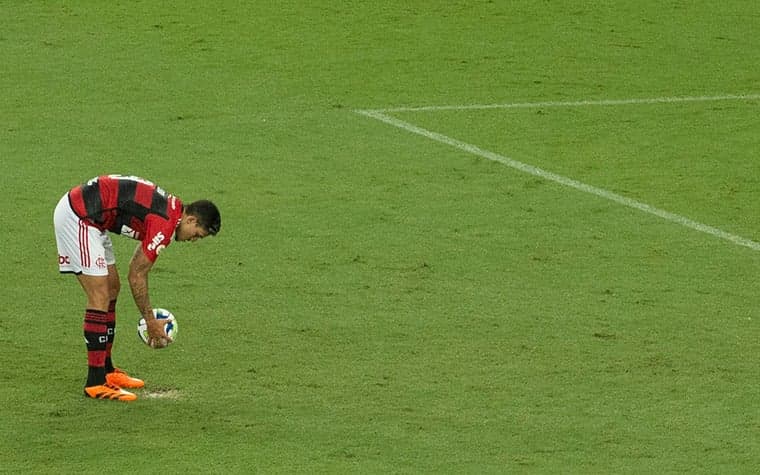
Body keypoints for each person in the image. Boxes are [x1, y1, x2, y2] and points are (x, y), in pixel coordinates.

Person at [54, 174, 221, 401]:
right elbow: (137, 275)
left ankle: (107, 370)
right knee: (100, 295)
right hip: (80, 216)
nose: (194, 241)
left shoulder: (170, 213)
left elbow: (136, 265)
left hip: (95, 217)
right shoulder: (165, 223)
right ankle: (95, 382)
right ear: (190, 220)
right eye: (197, 235)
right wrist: (151, 322)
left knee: (112, 288)